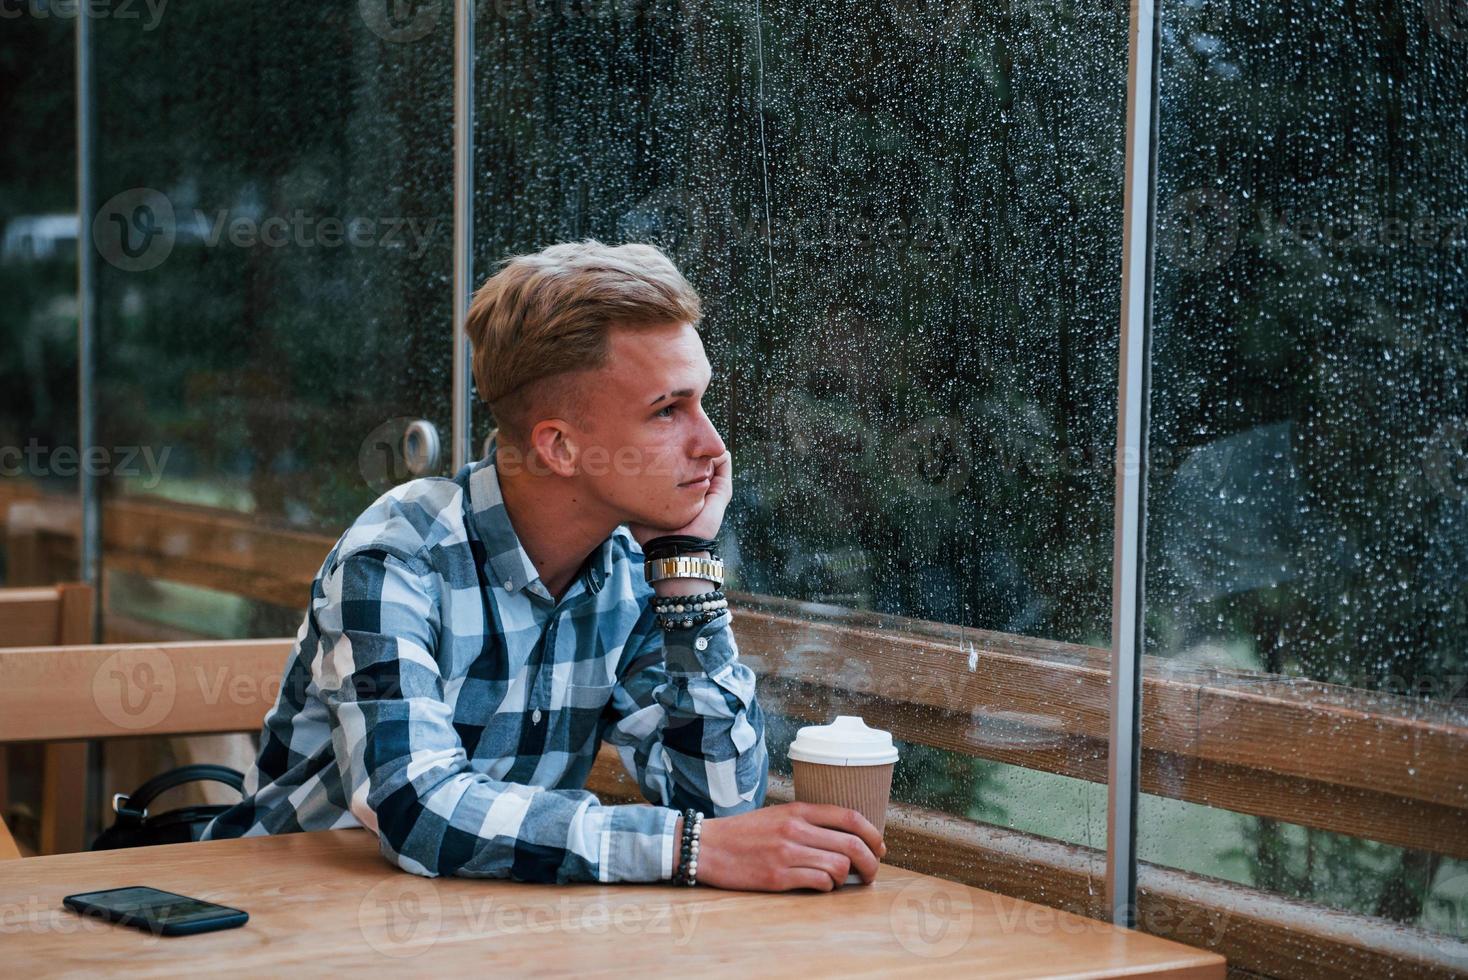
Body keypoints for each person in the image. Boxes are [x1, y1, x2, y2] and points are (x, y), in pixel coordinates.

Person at [202, 239, 886, 891]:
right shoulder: (398, 556)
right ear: (558, 447)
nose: (713, 445)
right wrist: (684, 849)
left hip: (483, 927)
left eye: (701, 401)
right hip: (288, 924)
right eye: (668, 410)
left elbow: (719, 807)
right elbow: (417, 811)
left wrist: (686, 565)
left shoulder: (631, 570)